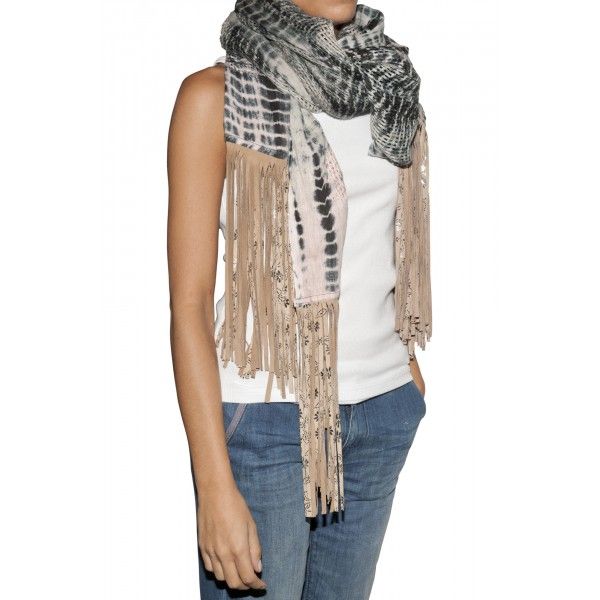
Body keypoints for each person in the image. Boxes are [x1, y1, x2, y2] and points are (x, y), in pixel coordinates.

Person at [167, 1, 432, 598]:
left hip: (381, 411)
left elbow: (389, 243)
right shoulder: (213, 97)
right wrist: (213, 485)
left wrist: (405, 367)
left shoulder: (390, 85)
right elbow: (189, 304)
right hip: (268, 423)